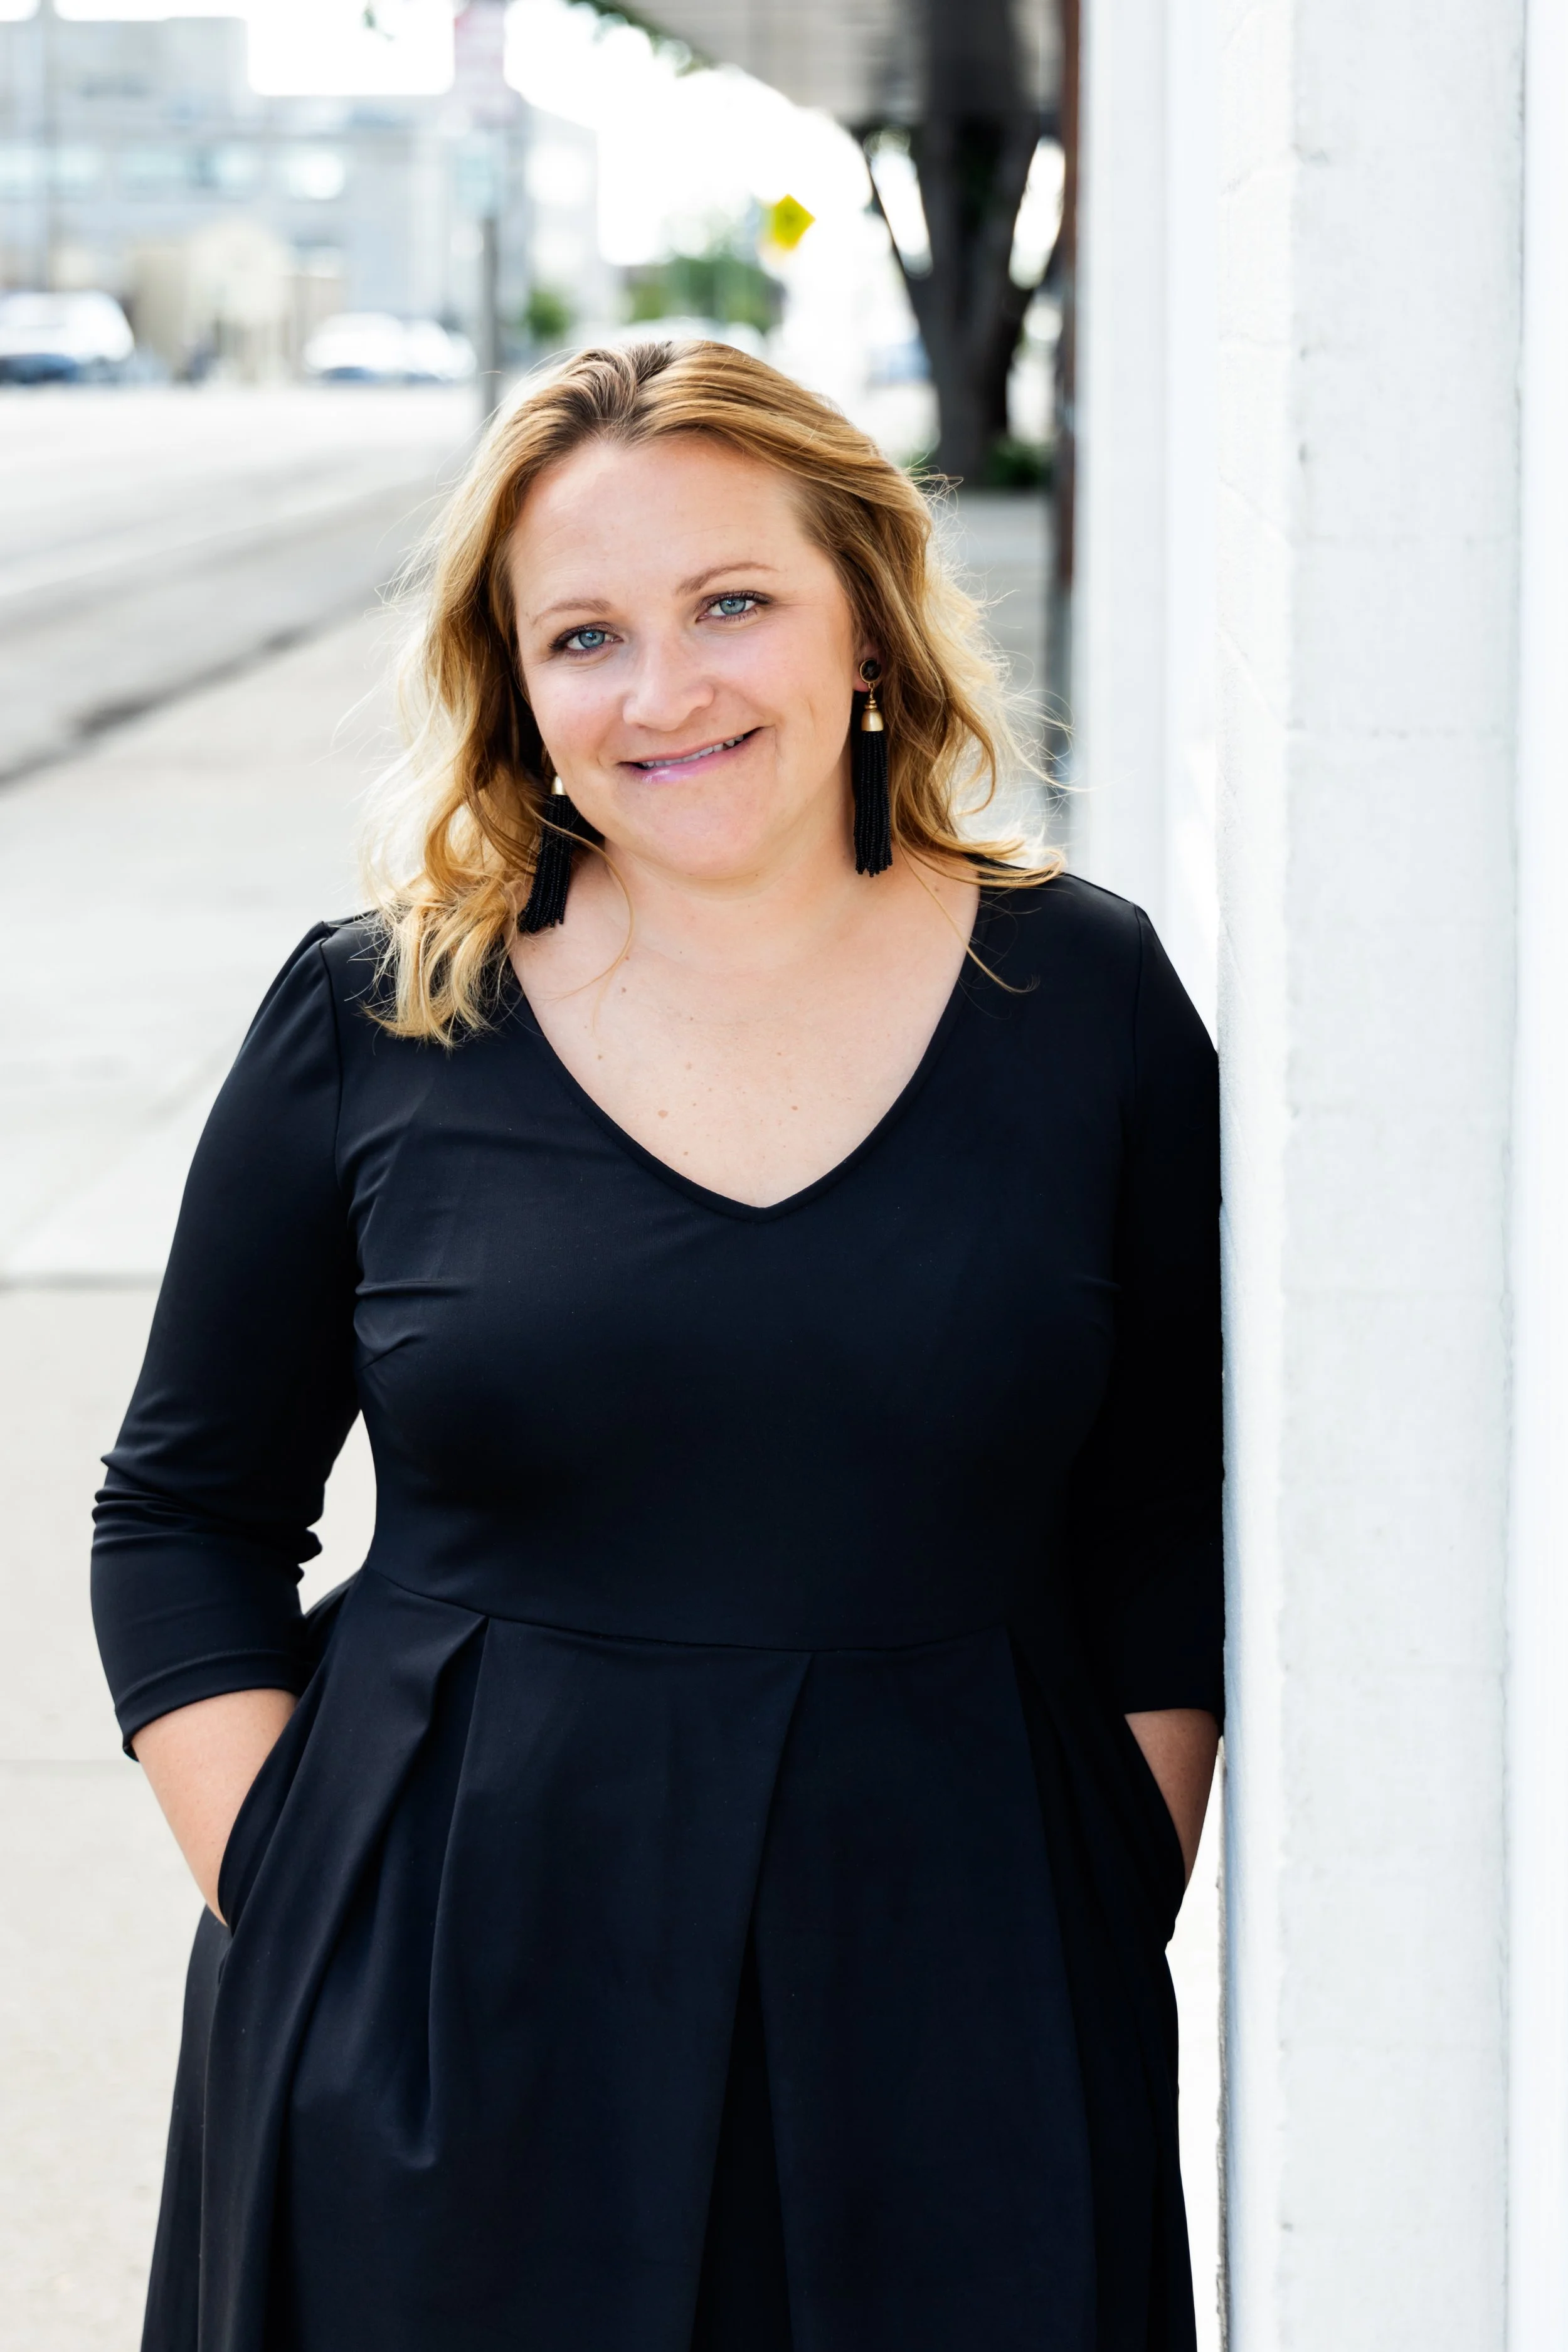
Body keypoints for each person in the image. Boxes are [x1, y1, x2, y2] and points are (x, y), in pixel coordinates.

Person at [92, 339, 1222, 2352]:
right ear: (517, 689)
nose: (663, 691)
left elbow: (1163, 1520)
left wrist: (1091, 1892)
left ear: (865, 621)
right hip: (438, 2024)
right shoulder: (377, 1015)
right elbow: (183, 1513)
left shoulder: (1090, 1002)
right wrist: (303, 1903)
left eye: (731, 603)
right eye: (585, 635)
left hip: (963, 2010)